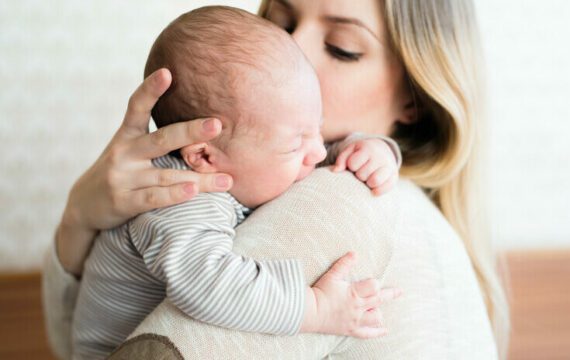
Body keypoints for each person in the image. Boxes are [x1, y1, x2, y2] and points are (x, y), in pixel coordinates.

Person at [43, 0, 510, 359]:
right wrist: (81, 215)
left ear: (414, 98)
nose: (292, 51)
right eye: (282, 22)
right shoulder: (191, 194)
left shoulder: (342, 198)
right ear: (204, 153)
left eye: (341, 48)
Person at [71, 7, 402, 359]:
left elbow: (297, 146)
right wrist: (316, 308)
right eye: (296, 144)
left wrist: (369, 149)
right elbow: (208, 285)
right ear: (204, 157)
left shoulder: (254, 153)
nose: (319, 151)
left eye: (317, 129)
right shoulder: (181, 197)